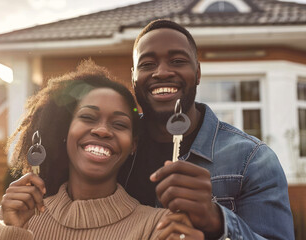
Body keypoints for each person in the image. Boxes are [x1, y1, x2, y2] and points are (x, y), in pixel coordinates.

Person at [0, 60, 204, 240]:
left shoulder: (160, 227)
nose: (102, 131)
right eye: (88, 117)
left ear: (133, 145)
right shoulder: (11, 215)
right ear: (65, 131)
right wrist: (12, 231)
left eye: (119, 124)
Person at [118, 19, 294, 239]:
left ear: (198, 73)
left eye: (177, 60)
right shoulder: (113, 148)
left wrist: (217, 222)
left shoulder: (252, 160)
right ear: (133, 77)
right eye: (147, 64)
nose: (162, 72)